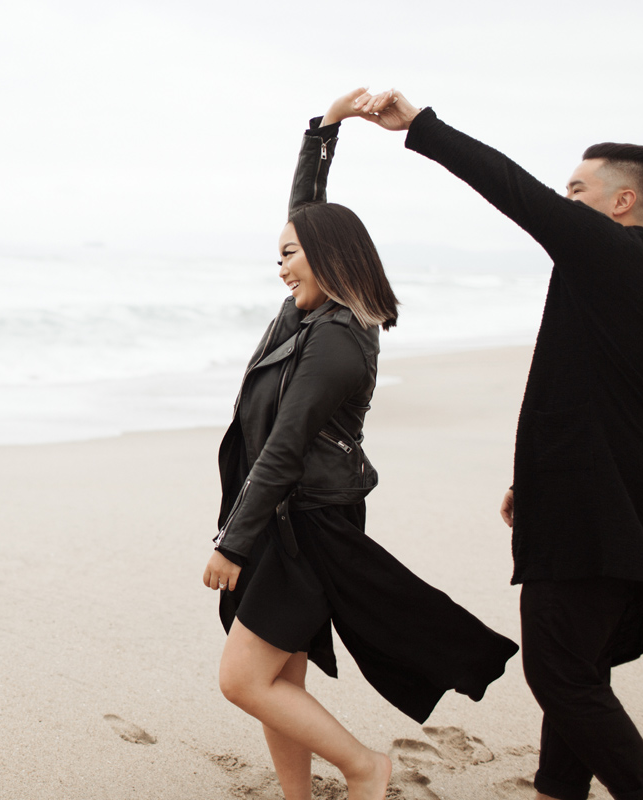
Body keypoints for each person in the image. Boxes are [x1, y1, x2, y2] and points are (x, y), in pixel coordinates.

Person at [351, 88, 643, 800]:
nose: (565, 203)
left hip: (598, 512)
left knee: (559, 674)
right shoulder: (629, 279)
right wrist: (530, 480)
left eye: (578, 191)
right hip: (608, 501)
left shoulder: (615, 257)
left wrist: (422, 127)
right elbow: (587, 398)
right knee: (578, 671)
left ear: (621, 203)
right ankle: (555, 790)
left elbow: (514, 192)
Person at [202, 88, 519, 800]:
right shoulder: (307, 314)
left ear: (324, 256)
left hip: (305, 525)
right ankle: (297, 794)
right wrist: (324, 132)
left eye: (289, 255)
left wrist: (232, 544)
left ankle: (364, 765)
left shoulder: (336, 340)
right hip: (290, 517)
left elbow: (285, 449)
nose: (280, 267)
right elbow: (306, 216)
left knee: (243, 678)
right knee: (279, 676)